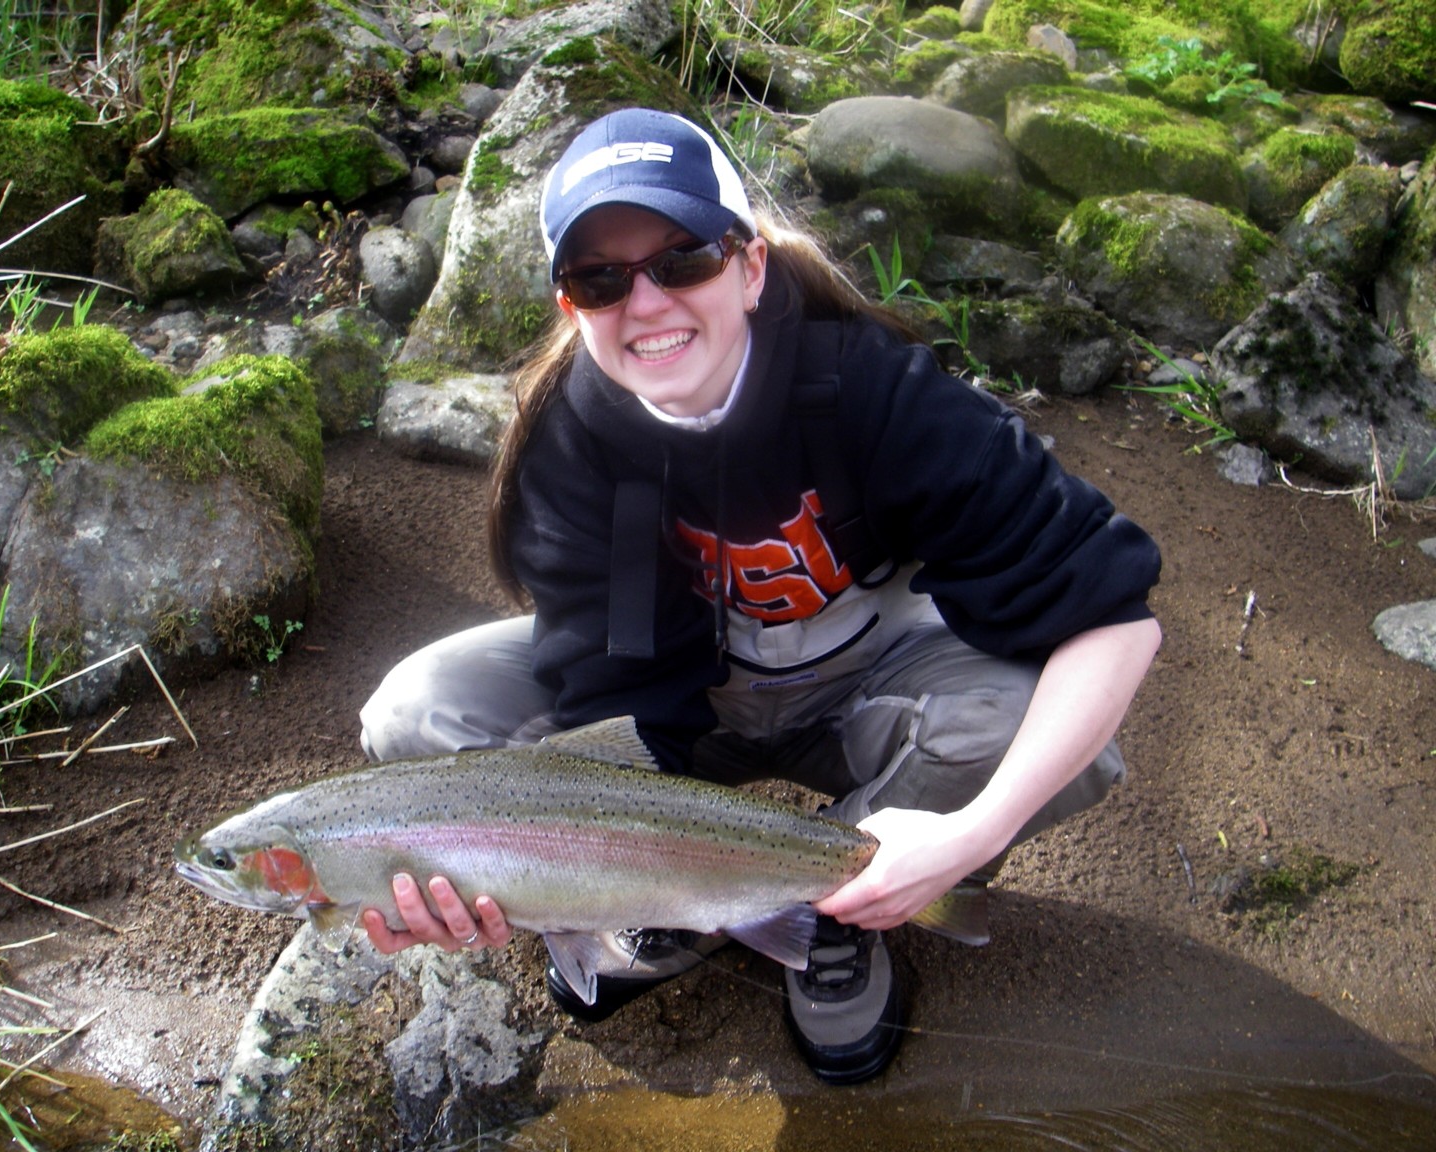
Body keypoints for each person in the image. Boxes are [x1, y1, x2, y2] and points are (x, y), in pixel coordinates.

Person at [359, 107, 1162, 1085]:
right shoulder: (570, 443)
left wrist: (970, 836)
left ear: (749, 265)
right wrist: (538, 886)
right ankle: (684, 899)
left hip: (869, 689)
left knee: (1041, 730)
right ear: (570, 306)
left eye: (683, 257)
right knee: (417, 714)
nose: (645, 301)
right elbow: (613, 705)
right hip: (688, 707)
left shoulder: (878, 395)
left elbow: (1116, 615)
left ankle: (844, 903)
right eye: (601, 278)